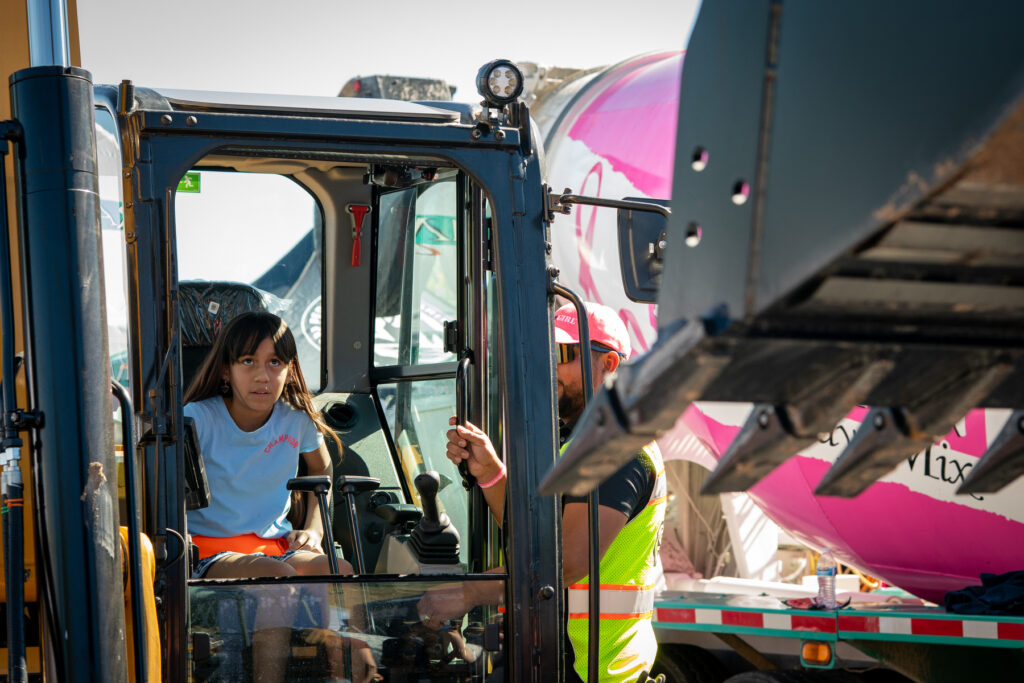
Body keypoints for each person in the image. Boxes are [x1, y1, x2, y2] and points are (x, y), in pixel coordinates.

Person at [431, 302, 666, 683]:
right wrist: (490, 473)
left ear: (608, 365)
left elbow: (567, 563)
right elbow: (535, 537)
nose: (549, 367)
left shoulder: (617, 450)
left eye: (563, 355)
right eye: (544, 354)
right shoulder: (574, 445)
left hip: (592, 672)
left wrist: (467, 592)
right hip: (564, 661)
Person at [184, 311, 378, 682]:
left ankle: (349, 674)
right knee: (278, 582)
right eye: (248, 361)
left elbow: (321, 471)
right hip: (209, 549)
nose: (262, 375)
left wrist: (316, 531)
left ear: (289, 369)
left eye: (275, 362)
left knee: (342, 574)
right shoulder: (197, 419)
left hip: (274, 545)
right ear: (226, 371)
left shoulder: (297, 420)